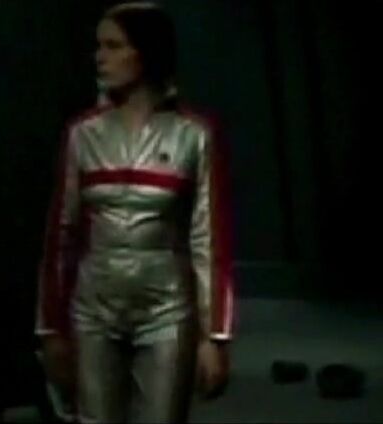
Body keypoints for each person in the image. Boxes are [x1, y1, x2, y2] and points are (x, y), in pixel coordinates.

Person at [34, 2, 236, 422]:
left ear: (144, 54)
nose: (99, 57)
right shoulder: (83, 134)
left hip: (166, 309)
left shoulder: (193, 135)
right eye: (98, 46)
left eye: (113, 46)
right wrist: (50, 329)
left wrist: (214, 337)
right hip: (94, 308)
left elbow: (209, 239)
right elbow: (60, 236)